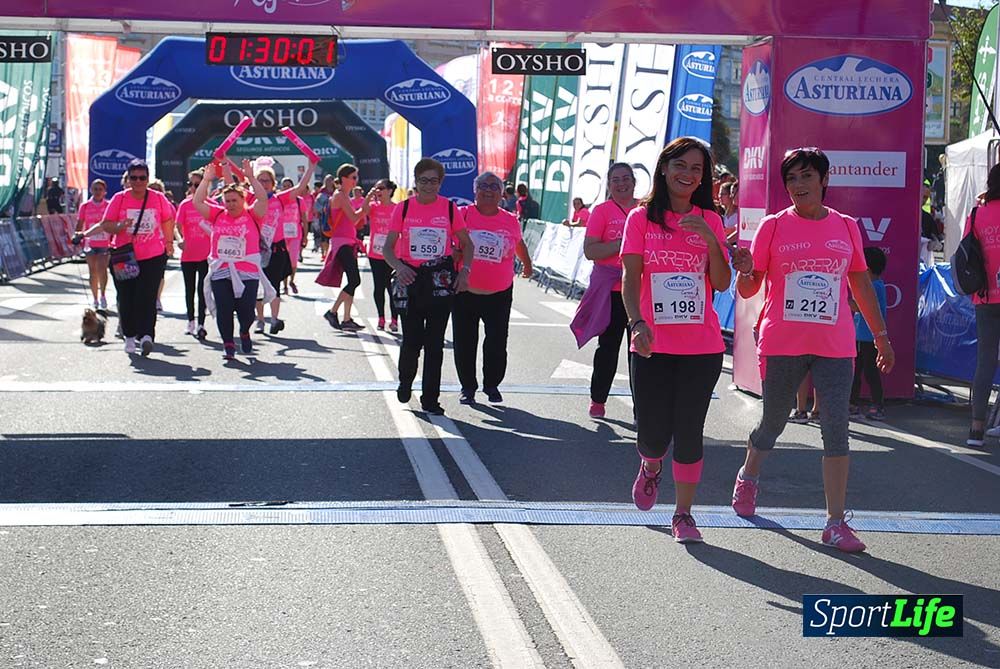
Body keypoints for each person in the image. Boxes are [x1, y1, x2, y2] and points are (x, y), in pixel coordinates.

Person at [730, 147, 894, 553]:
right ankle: (749, 475)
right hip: (784, 340)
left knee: (836, 429)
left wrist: (881, 336)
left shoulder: (846, 226)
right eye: (791, 179)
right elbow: (751, 288)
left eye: (806, 177)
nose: (798, 186)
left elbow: (859, 284)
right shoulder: (772, 226)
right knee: (773, 422)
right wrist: (748, 270)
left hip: (834, 343)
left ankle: (835, 522)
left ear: (824, 180)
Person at [621, 137, 730, 543]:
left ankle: (684, 514)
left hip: (701, 347)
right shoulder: (640, 219)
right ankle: (651, 466)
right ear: (664, 168)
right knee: (652, 431)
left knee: (689, 429)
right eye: (680, 165)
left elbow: (720, 282)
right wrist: (636, 323)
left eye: (697, 169)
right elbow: (631, 278)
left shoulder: (711, 219)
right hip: (651, 343)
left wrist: (710, 237)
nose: (688, 174)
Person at [383, 158, 474, 416]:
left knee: (435, 343)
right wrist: (399, 267)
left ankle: (430, 398)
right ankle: (405, 381)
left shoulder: (449, 209)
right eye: (423, 181)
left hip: (440, 280)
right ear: (416, 181)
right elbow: (388, 248)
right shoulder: (402, 209)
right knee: (412, 340)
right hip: (410, 278)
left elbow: (467, 245)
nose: (428, 186)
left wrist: (464, 272)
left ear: (440, 183)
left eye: (433, 181)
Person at [76, 159, 176, 357]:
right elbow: (106, 224)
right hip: (125, 255)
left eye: (142, 178)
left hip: (152, 255)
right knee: (127, 297)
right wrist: (120, 226)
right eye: (134, 178)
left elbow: (167, 219)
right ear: (128, 179)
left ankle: (147, 335)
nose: (138, 181)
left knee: (147, 297)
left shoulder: (157, 198)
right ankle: (130, 336)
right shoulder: (119, 199)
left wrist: (169, 243)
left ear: (148, 179)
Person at [453, 171, 534, 405]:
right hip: (465, 290)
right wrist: (455, 253)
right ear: (474, 191)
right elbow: (447, 243)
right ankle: (468, 386)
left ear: (501, 194)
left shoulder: (509, 219)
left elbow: (519, 244)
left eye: (494, 187)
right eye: (483, 186)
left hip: (499, 292)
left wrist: (527, 265)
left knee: (497, 342)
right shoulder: (462, 215)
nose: (488, 191)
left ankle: (492, 385)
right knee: (465, 341)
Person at [571, 162, 638, 418]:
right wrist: (622, 244)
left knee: (641, 352)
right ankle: (598, 400)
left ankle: (641, 407)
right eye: (615, 180)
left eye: (626, 179)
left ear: (634, 182)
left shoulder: (644, 209)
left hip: (639, 289)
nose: (621, 184)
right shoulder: (602, 211)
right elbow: (591, 251)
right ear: (609, 185)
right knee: (608, 348)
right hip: (611, 291)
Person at [192, 160, 273, 360]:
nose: (230, 204)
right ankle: (228, 342)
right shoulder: (218, 214)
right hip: (222, 269)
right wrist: (206, 180)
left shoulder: (253, 215)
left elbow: (263, 200)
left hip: (247, 270)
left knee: (246, 311)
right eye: (227, 200)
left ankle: (244, 331)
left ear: (243, 200)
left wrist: (251, 177)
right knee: (224, 308)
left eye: (234, 200)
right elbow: (198, 202)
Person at [251, 157, 317, 335]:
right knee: (257, 287)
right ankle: (260, 320)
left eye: (267, 180)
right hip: (257, 249)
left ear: (273, 183)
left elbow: (299, 188)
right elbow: (231, 183)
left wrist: (310, 168)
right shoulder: (251, 198)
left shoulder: (280, 199)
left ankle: (274, 319)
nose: (263, 183)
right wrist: (225, 163)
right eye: (260, 180)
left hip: (277, 249)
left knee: (274, 286)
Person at [965, 164, 1000, 448]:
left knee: (985, 361)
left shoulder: (977, 213)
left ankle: (976, 429)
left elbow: (966, 250)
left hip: (985, 295)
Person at [320, 164, 373, 332]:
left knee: (352, 281)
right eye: (354, 177)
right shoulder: (340, 196)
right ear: (344, 178)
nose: (356, 181)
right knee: (355, 280)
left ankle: (347, 318)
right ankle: (333, 311)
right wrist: (365, 208)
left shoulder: (344, 196)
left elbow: (353, 219)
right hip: (342, 243)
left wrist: (365, 204)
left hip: (347, 242)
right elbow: (354, 218)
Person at [850, 246, 888, 421]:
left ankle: (878, 405)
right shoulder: (871, 284)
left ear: (868, 267)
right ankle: (852, 403)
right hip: (859, 336)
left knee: (871, 372)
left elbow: (858, 305)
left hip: (871, 338)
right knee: (855, 371)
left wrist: (843, 299)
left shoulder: (876, 286)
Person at [175, 169, 211, 339]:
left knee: (203, 290)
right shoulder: (185, 204)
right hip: (188, 254)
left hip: (206, 254)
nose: (194, 188)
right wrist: (180, 239)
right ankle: (190, 321)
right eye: (191, 184)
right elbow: (177, 225)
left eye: (198, 184)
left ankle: (202, 323)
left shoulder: (210, 204)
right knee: (189, 289)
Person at [367, 178, 400, 332]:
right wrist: (369, 196)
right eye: (376, 188)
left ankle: (394, 320)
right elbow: (360, 213)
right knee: (378, 287)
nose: (378, 191)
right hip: (375, 253)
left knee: (392, 288)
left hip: (393, 255)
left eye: (381, 188)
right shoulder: (373, 207)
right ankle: (381, 318)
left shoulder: (397, 208)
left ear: (390, 191)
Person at [75, 179, 111, 310]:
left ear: (104, 192)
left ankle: (103, 295)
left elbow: (111, 223)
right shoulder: (85, 206)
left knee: (102, 269)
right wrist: (77, 236)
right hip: (89, 243)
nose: (97, 192)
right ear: (91, 190)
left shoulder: (108, 205)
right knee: (93, 271)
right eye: (95, 189)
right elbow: (80, 223)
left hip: (104, 242)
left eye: (100, 189)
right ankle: (95, 298)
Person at [278, 177, 308, 296]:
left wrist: (305, 236)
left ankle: (291, 281)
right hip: (282, 235)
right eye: (284, 186)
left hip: (295, 234)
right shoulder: (279, 200)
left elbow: (304, 219)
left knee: (293, 261)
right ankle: (284, 285)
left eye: (289, 186)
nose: (286, 188)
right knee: (284, 260)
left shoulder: (299, 200)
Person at [314, 175, 336, 259]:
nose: (329, 182)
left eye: (330, 180)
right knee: (324, 235)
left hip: (334, 217)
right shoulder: (322, 192)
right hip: (323, 217)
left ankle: (331, 252)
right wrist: (321, 210)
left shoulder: (336, 191)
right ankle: (325, 253)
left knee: (332, 235)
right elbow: (316, 205)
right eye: (327, 180)